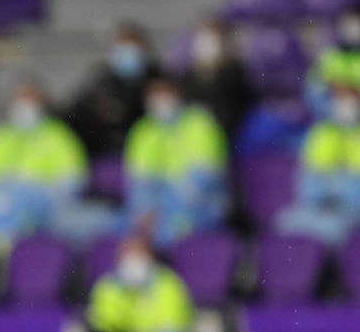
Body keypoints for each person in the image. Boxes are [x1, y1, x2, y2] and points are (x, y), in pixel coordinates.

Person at [0, 79, 88, 253]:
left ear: (42, 104)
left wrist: (32, 197)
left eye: (30, 100)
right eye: (21, 99)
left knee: (21, 226)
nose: (25, 106)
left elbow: (71, 184)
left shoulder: (59, 138)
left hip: (41, 212)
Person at [123, 74, 230, 248]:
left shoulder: (200, 124)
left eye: (165, 95)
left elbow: (204, 178)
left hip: (202, 205)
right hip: (159, 209)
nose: (160, 102)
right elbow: (139, 182)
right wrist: (144, 210)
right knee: (125, 230)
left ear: (177, 95)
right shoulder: (143, 131)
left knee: (171, 230)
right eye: (155, 97)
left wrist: (165, 207)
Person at [275, 81, 360, 246]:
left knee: (333, 229)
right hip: (319, 209)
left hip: (350, 212)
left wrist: (336, 189)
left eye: (350, 98)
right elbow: (305, 185)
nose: (343, 104)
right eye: (338, 98)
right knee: (285, 222)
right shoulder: (319, 134)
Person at [65, 20, 165, 159]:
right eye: (123, 44)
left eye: (133, 45)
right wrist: (98, 112)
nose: (128, 51)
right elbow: (76, 112)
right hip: (105, 150)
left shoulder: (159, 80)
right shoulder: (101, 79)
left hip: (150, 153)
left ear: (144, 48)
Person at [177, 17, 257, 142]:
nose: (209, 43)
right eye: (205, 37)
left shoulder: (237, 76)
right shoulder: (187, 78)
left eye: (215, 37)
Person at [305, 1, 360, 118]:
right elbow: (313, 92)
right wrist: (331, 108)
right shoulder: (329, 56)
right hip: (332, 123)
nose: (355, 27)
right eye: (352, 21)